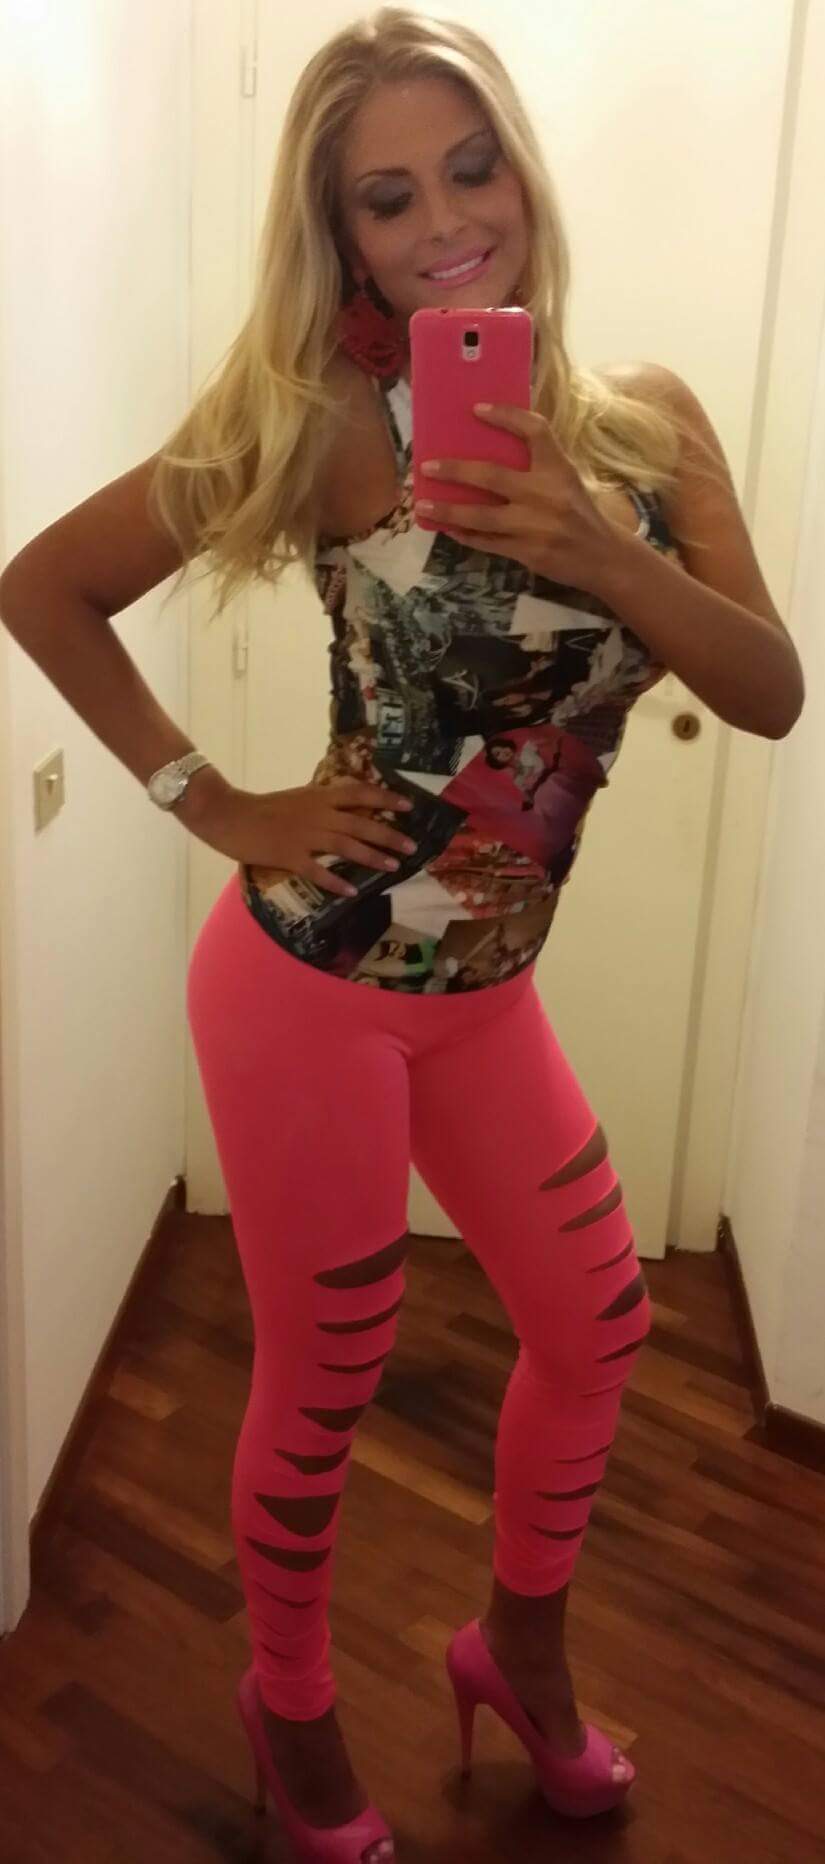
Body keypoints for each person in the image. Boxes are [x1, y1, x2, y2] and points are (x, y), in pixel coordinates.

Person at [0, 9, 804, 1861]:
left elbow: (765, 692)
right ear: (344, 244)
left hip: (485, 998)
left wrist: (598, 544)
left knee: (596, 1326)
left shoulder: (649, 425)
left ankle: (517, 1648)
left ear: (521, 172)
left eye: (468, 166)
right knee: (329, 1384)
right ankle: (288, 1708)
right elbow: (45, 587)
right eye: (386, 199)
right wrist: (215, 802)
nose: (445, 221)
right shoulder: (319, 428)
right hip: (310, 992)